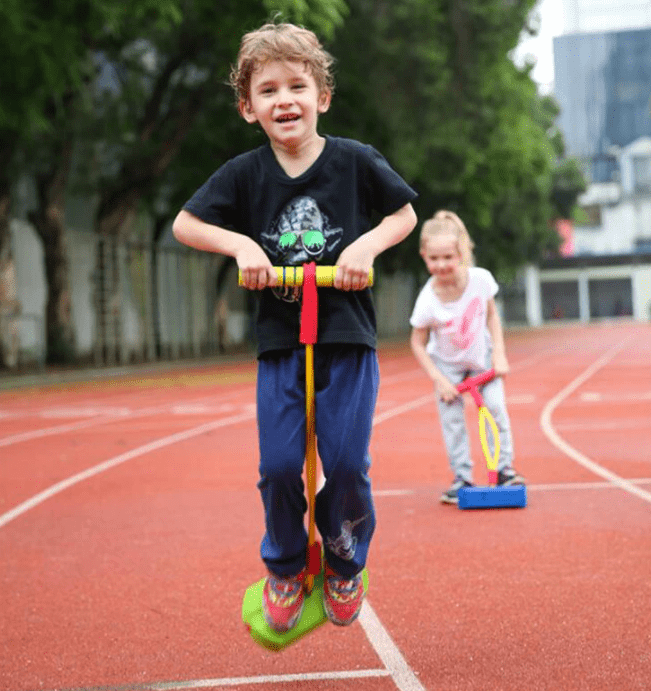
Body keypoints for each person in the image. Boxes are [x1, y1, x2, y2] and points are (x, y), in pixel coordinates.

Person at [172, 22, 417, 632]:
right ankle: (284, 564)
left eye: (298, 86)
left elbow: (404, 214)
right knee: (280, 466)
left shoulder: (355, 161)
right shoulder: (245, 173)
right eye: (268, 90)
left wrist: (363, 248)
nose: (285, 99)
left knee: (345, 460)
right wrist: (241, 248)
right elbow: (185, 224)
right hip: (282, 342)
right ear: (248, 108)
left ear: (322, 97)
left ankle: (342, 562)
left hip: (347, 338)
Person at [409, 211, 525, 504]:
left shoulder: (480, 280)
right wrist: (439, 381)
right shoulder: (427, 299)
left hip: (481, 359)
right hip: (447, 366)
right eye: (434, 259)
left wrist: (499, 354)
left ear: (461, 253)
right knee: (453, 421)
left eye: (448, 257)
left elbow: (492, 317)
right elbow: (418, 343)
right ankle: (461, 475)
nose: (442, 265)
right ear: (424, 256)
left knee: (496, 408)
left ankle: (504, 470)